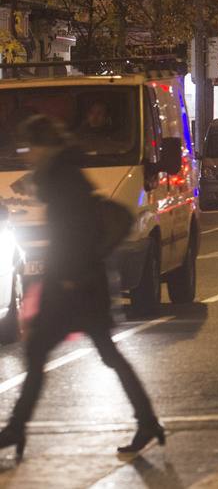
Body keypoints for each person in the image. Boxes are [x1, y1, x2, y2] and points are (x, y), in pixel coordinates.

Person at [0, 115, 164, 460]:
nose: (28, 155)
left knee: (49, 354)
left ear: (45, 147)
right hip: (78, 283)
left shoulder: (63, 178)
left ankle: (16, 429)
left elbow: (75, 231)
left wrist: (67, 277)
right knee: (97, 355)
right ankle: (147, 422)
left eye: (31, 148)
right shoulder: (60, 174)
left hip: (74, 286)